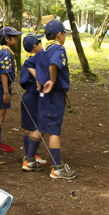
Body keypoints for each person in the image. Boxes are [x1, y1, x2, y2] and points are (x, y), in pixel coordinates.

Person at [34, 20, 77, 179]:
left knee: (44, 126)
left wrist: (39, 83)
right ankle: (57, 168)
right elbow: (54, 64)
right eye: (64, 33)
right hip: (54, 94)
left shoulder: (43, 50)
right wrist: (52, 80)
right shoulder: (58, 49)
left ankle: (30, 158)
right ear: (60, 34)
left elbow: (37, 67)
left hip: (44, 94)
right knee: (53, 131)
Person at [19, 33, 48, 171]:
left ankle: (29, 155)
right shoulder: (36, 60)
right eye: (40, 42)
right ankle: (28, 160)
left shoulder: (28, 60)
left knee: (28, 127)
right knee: (37, 127)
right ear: (35, 46)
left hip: (27, 96)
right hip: (34, 96)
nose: (42, 45)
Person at [0, 26, 21, 154]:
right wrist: (6, 92)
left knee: (1, 116)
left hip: (0, 86)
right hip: (0, 87)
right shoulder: (6, 53)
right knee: (0, 116)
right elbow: (4, 74)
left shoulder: (5, 52)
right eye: (15, 37)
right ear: (7, 39)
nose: (17, 39)